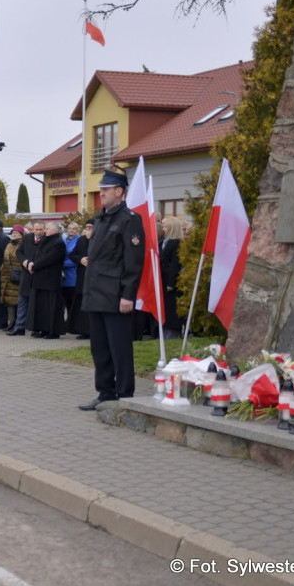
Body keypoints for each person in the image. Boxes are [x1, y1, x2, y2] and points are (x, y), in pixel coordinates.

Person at [79, 170, 146, 411]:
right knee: (100, 349)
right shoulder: (100, 219)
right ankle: (105, 392)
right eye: (101, 189)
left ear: (119, 191)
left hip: (116, 296)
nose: (101, 193)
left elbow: (133, 262)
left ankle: (125, 394)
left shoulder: (130, 219)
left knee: (120, 349)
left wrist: (128, 295)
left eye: (106, 189)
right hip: (96, 293)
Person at [26, 221, 67, 339]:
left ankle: (53, 331)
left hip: (50, 280)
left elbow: (49, 258)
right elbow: (36, 254)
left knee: (51, 307)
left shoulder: (58, 243)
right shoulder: (44, 241)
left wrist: (35, 265)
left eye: (48, 228)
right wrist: (31, 262)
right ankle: (43, 329)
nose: (45, 230)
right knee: (41, 307)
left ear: (55, 230)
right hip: (40, 279)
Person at [7, 221, 38, 336]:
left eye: (38, 229)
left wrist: (33, 264)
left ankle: (34, 327)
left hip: (36, 274)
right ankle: (19, 327)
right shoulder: (27, 239)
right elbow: (19, 252)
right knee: (22, 302)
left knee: (34, 304)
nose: (33, 231)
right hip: (24, 274)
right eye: (33, 229)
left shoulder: (44, 240)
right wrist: (25, 261)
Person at [67, 222, 93, 338]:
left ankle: (92, 331)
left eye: (90, 228)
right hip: (82, 276)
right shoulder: (81, 240)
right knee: (81, 303)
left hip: (95, 278)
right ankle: (83, 330)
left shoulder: (99, 239)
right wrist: (80, 259)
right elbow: (73, 255)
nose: (88, 230)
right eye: (86, 227)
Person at [160, 216, 184, 338]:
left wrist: (171, 283)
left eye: (165, 226)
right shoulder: (165, 242)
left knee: (171, 309)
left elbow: (175, 264)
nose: (163, 229)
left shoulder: (176, 243)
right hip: (164, 279)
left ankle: (171, 334)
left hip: (170, 282)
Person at [0, 225, 24, 331]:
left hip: (17, 275)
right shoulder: (9, 244)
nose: (14, 234)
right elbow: (5, 258)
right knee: (9, 301)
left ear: (21, 234)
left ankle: (19, 322)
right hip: (7, 274)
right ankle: (12, 322)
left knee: (17, 300)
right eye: (13, 232)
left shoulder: (22, 244)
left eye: (16, 233)